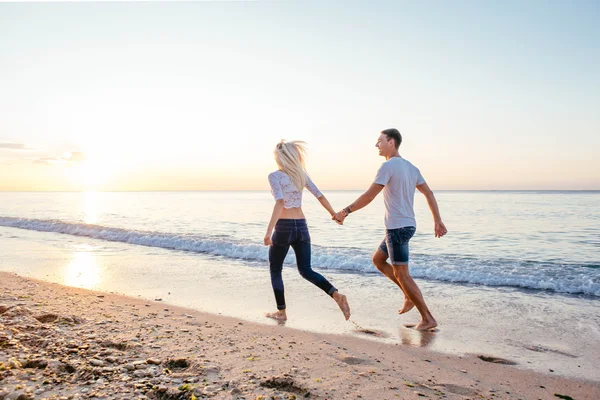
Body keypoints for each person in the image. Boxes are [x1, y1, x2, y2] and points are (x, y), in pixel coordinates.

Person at [333, 128, 447, 331]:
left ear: (391, 142)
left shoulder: (388, 166)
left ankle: (428, 318)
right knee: (378, 260)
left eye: (380, 141)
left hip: (397, 228)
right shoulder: (411, 167)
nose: (377, 145)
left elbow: (369, 196)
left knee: (402, 274)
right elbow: (428, 193)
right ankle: (407, 295)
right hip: (406, 225)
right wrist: (437, 220)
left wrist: (345, 211)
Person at [264, 140, 351, 322]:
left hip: (284, 227)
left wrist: (268, 231)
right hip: (301, 226)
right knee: (305, 269)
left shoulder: (275, 176)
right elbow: (320, 195)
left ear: (279, 158)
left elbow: (280, 202)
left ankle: (281, 312)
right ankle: (336, 295)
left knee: (275, 269)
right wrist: (334, 214)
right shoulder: (301, 175)